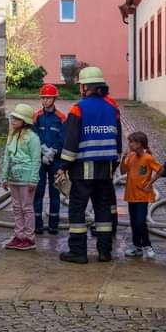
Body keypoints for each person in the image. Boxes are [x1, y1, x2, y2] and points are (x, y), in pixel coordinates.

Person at [57, 66, 122, 264]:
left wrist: (63, 166)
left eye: (81, 85)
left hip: (83, 170)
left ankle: (78, 252)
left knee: (77, 210)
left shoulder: (79, 108)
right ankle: (104, 252)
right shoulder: (112, 108)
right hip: (105, 170)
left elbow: (71, 140)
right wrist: (114, 165)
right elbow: (118, 141)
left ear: (86, 87)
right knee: (103, 211)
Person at [2, 104, 42, 251]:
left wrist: (33, 179)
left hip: (26, 179)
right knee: (17, 208)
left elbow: (36, 159)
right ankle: (19, 236)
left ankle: (29, 238)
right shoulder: (11, 136)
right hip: (13, 178)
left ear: (25, 121)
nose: (13, 121)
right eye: (13, 117)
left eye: (17, 118)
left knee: (27, 208)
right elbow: (7, 156)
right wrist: (5, 177)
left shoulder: (33, 138)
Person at [120, 132, 163, 259]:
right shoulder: (131, 156)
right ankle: (136, 246)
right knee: (133, 222)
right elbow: (123, 171)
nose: (129, 144)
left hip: (142, 196)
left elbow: (160, 169)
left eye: (131, 142)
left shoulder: (148, 158)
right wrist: (123, 158)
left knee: (140, 222)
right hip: (131, 195)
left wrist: (150, 183)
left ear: (139, 144)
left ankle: (147, 245)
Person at [33, 84, 66, 235]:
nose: (45, 100)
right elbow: (34, 135)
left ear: (54, 99)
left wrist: (53, 151)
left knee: (54, 192)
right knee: (38, 191)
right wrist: (43, 149)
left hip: (55, 160)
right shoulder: (37, 116)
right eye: (43, 98)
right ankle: (37, 224)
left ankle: (53, 225)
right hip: (40, 159)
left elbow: (63, 137)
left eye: (48, 98)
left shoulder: (61, 118)